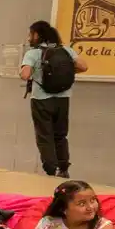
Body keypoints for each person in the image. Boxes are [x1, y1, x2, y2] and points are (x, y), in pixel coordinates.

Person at [21, 20, 87, 177]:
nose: (29, 37)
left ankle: (51, 170)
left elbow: (25, 75)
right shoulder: (66, 50)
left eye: (31, 34)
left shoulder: (34, 53)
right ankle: (64, 168)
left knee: (45, 136)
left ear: (37, 35)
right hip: (63, 99)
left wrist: (31, 72)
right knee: (60, 134)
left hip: (41, 100)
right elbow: (84, 66)